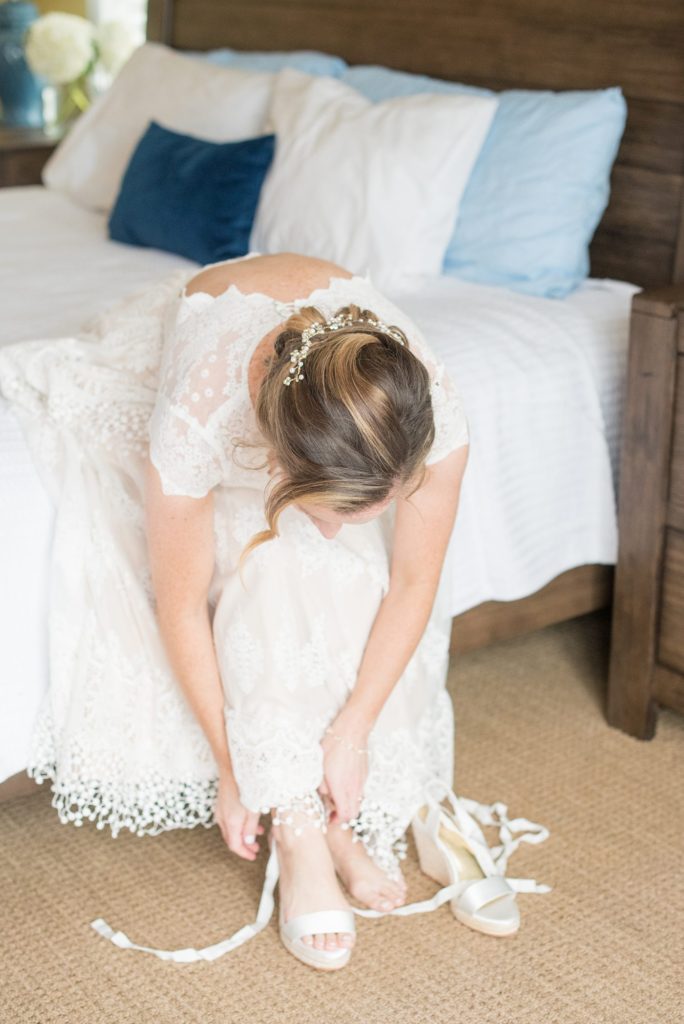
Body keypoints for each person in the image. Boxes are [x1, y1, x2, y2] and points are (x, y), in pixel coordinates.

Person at [0, 251, 545, 971]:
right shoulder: (200, 421)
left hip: (326, 387)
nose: (333, 526)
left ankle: (368, 803)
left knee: (358, 566)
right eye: (328, 507)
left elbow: (416, 581)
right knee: (271, 560)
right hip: (214, 355)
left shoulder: (431, 413)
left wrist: (353, 729)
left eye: (371, 506)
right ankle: (299, 825)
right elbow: (181, 601)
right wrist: (234, 770)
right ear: (278, 463)